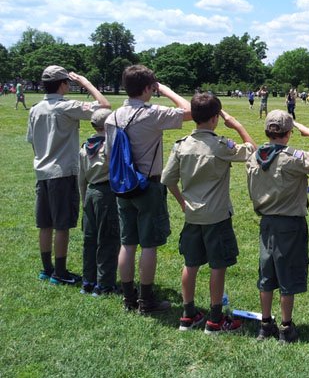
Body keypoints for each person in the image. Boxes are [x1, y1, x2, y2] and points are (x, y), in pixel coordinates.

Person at [162, 92, 254, 333]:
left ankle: (188, 314)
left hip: (192, 215)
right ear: (215, 118)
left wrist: (182, 203)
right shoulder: (220, 145)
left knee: (190, 263)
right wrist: (237, 125)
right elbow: (252, 151)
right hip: (217, 216)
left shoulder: (181, 145)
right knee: (217, 265)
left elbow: (168, 179)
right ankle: (215, 318)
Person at [104, 64, 191, 315]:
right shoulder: (151, 113)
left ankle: (128, 298)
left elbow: (110, 154)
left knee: (127, 243)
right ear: (146, 88)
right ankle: (146, 299)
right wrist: (166, 90)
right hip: (147, 184)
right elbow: (190, 110)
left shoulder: (113, 117)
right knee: (149, 245)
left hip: (122, 185)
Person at [27, 65, 111, 285]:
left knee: (44, 224)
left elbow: (32, 141)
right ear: (63, 84)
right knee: (62, 224)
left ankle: (47, 269)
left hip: (42, 171)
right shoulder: (67, 107)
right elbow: (104, 107)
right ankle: (60, 272)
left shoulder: (35, 109)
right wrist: (86, 83)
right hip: (62, 172)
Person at [246, 110, 309, 343]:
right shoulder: (292, 158)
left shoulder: (254, 157)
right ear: (289, 133)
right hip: (290, 222)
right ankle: (286, 326)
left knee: (266, 272)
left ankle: (265, 323)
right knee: (287, 273)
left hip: (266, 222)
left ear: (267, 131)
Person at [78, 108, 120, 296]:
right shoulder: (109, 146)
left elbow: (81, 178)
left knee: (90, 238)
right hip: (107, 192)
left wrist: (83, 198)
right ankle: (104, 284)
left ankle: (88, 280)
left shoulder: (85, 147)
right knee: (108, 238)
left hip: (90, 192)